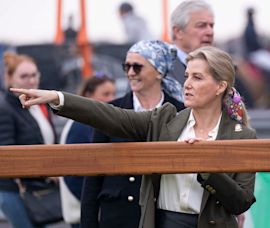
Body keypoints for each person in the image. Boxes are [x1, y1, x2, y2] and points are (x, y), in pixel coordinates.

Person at [12, 45, 256, 228]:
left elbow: (241, 202)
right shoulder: (165, 119)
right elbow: (110, 115)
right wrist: (58, 98)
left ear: (220, 86)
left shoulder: (242, 135)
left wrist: (208, 167)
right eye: (187, 76)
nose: (187, 84)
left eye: (198, 77)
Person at [81, 40, 185, 228]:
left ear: (159, 72)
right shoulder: (110, 110)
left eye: (137, 67)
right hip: (118, 216)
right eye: (126, 66)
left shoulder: (181, 112)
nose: (130, 73)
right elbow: (93, 175)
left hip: (165, 216)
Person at [0, 52, 57, 228]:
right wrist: (45, 172)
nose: (31, 81)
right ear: (9, 79)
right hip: (15, 190)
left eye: (34, 75)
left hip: (38, 186)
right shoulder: (5, 109)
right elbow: (7, 155)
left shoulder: (39, 105)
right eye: (24, 76)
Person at [59, 74, 116, 228]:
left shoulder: (89, 121)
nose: (111, 99)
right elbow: (70, 173)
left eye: (113, 93)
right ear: (88, 95)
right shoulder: (81, 124)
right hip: (83, 215)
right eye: (105, 94)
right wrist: (92, 203)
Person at [168, 0, 214, 85]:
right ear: (178, 32)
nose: (210, 32)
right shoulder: (161, 71)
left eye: (211, 26)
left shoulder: (222, 68)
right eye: (201, 25)